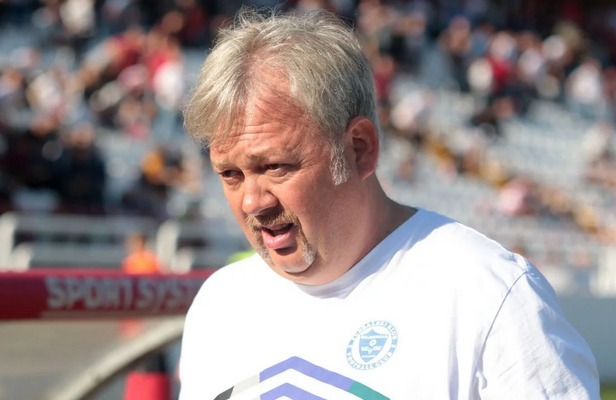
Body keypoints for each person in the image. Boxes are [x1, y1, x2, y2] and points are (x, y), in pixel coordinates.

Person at [178, 9, 599, 400]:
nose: (252, 201)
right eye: (229, 174)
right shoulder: (220, 305)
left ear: (359, 149)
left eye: (275, 166)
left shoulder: (488, 296)